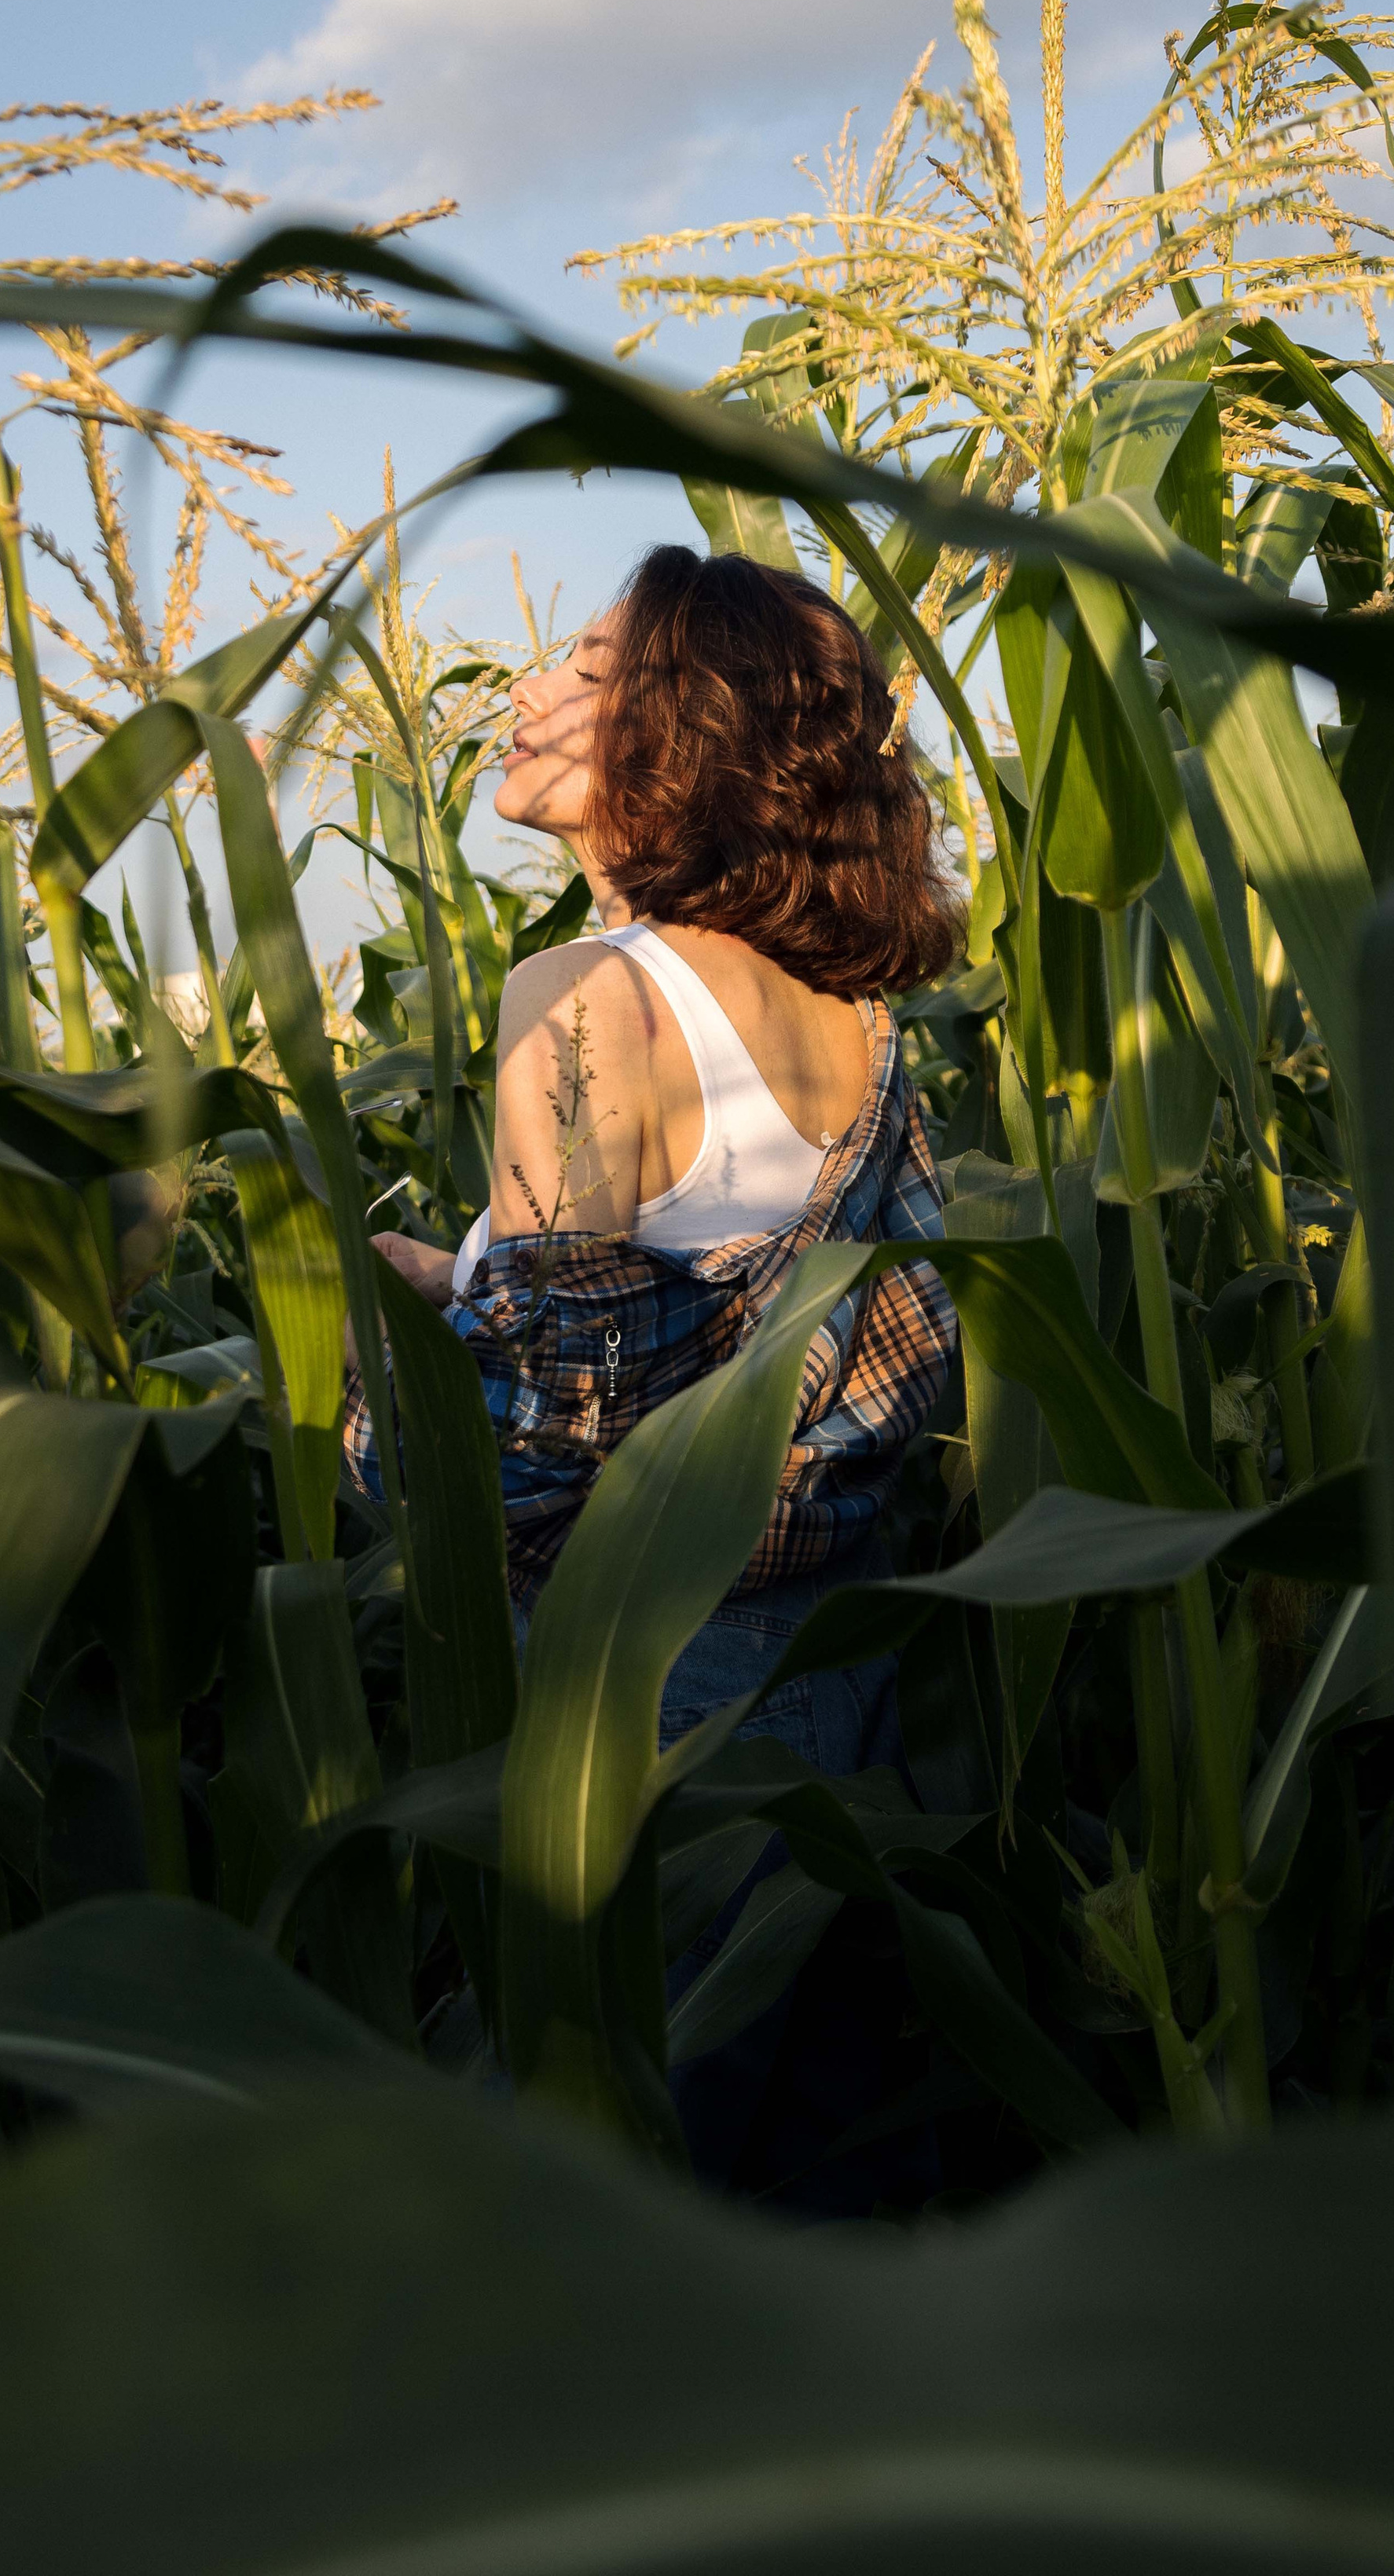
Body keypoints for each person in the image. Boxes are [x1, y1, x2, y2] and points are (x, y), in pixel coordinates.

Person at [344, 541, 961, 2195]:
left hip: (646, 1703)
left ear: (677, 731)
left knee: (583, 2212)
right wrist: (466, 1272)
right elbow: (743, 1298)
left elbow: (536, 1453)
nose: (527, 690)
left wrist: (383, 1372)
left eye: (590, 665)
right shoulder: (847, 1015)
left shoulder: (581, 997)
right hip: (839, 1683)